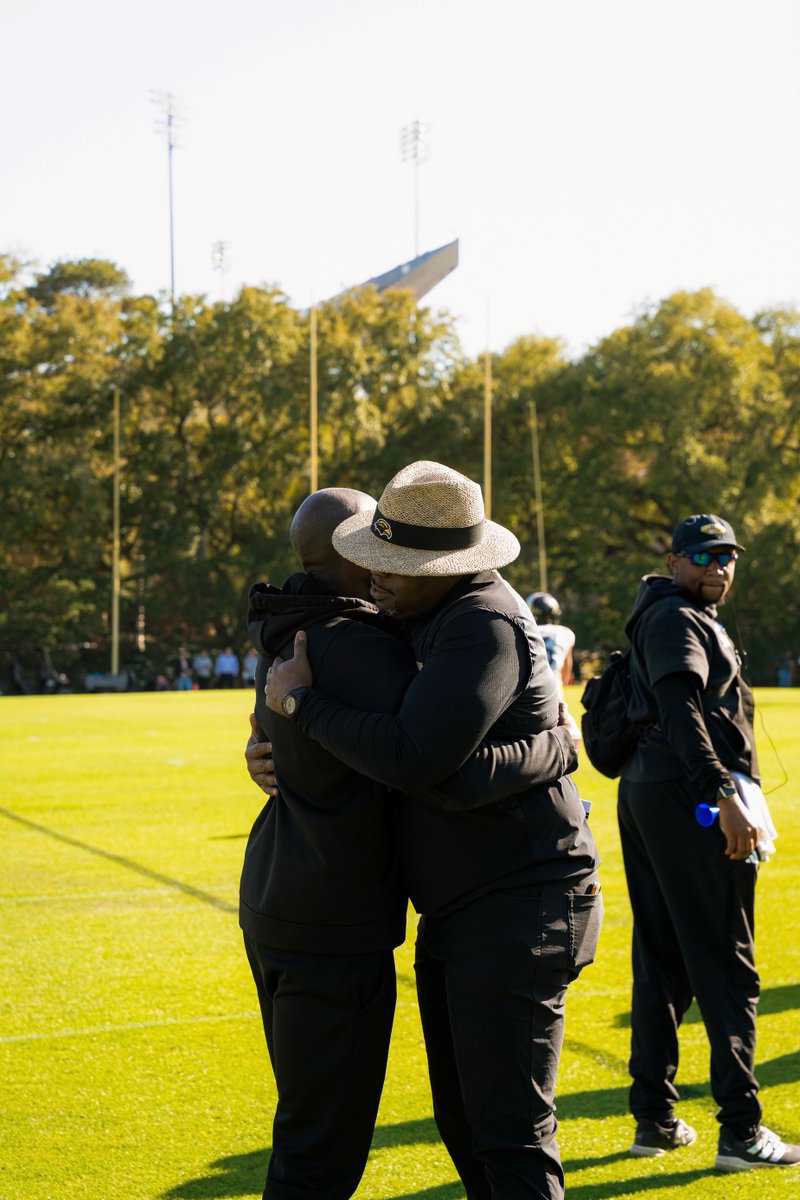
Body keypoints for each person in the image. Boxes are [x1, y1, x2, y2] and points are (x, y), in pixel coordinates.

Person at [266, 460, 602, 1200]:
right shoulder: (422, 611)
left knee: (509, 1134)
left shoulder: (482, 622)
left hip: (521, 898)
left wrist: (304, 710)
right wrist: (273, 746)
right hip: (465, 902)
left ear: (444, 566)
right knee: (467, 1124)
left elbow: (420, 764)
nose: (375, 576)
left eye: (392, 564)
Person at [618, 513, 800, 1172]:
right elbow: (682, 712)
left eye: (727, 555)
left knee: (663, 959)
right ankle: (741, 1131)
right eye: (702, 555)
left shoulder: (672, 613)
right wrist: (723, 796)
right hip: (687, 797)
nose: (718, 565)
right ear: (674, 562)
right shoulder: (675, 618)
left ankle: (654, 1118)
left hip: (653, 790)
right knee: (727, 962)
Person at [526, 593, 576, 694]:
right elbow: (566, 665)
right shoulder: (564, 633)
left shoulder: (525, 630)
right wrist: (562, 685)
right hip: (553, 691)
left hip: (527, 692)